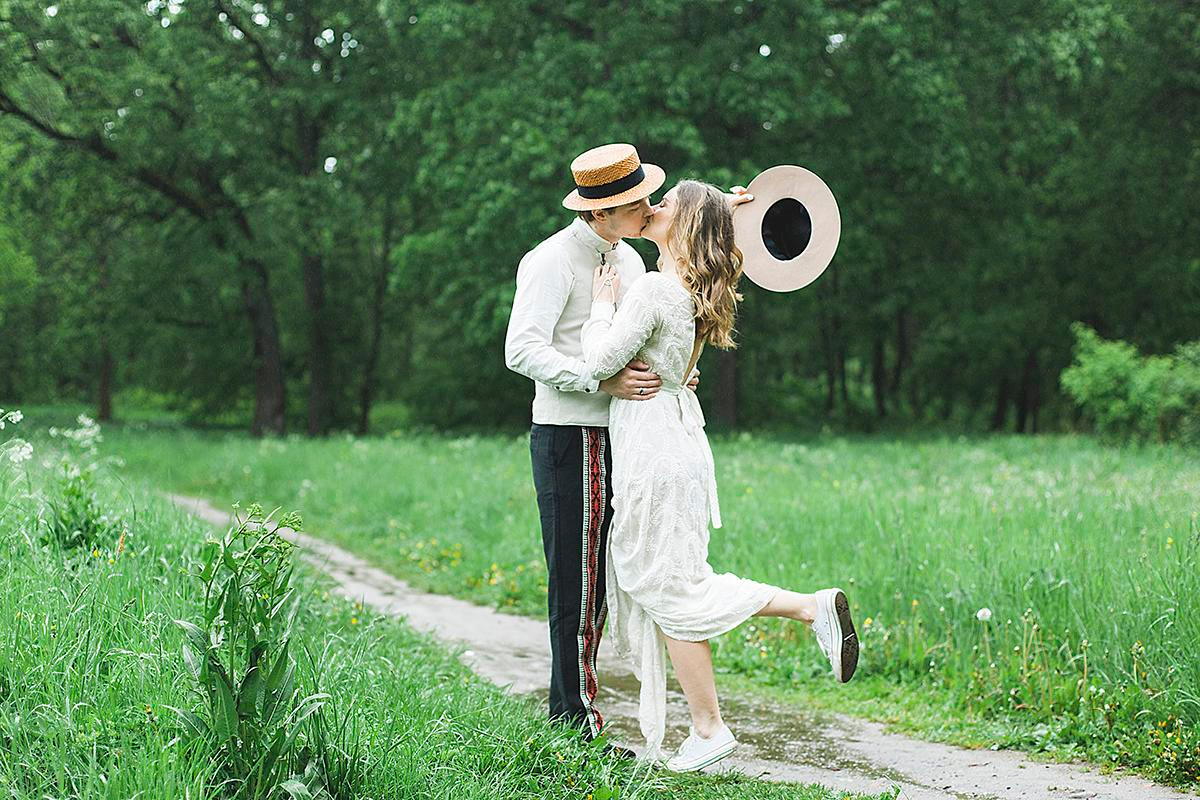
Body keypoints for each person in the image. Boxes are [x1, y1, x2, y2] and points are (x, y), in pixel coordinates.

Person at [581, 179, 859, 772]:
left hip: (656, 450)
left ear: (685, 226)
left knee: (669, 587)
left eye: (664, 204)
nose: (651, 207)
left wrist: (603, 304)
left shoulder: (655, 289)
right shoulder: (691, 287)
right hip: (679, 444)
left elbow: (599, 361)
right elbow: (704, 222)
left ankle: (806, 612)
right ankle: (708, 728)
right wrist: (725, 208)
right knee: (674, 583)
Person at [505, 143, 687, 747]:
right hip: (567, 436)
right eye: (634, 204)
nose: (647, 209)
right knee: (576, 580)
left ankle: (577, 713)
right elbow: (521, 350)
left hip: (625, 436)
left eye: (646, 198)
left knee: (609, 577)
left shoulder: (630, 258)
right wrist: (597, 380)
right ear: (597, 211)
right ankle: (574, 722)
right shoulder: (550, 260)